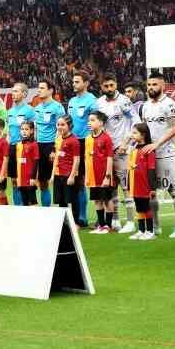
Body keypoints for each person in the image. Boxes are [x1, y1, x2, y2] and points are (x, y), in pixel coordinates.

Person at [138, 73, 175, 237]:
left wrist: (157, 144)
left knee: (174, 190)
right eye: (149, 85)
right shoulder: (145, 106)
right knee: (151, 191)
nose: (151, 87)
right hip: (149, 155)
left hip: (165, 154)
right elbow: (143, 130)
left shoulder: (169, 104)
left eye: (155, 84)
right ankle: (155, 226)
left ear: (163, 85)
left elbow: (174, 129)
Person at [96, 76, 138, 232]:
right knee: (111, 187)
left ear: (116, 84)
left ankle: (130, 222)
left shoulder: (124, 101)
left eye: (111, 85)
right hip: (106, 151)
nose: (109, 88)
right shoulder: (99, 103)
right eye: (106, 86)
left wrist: (126, 142)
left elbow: (136, 121)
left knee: (126, 186)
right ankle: (115, 219)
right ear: (102, 86)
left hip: (121, 150)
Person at [66, 71, 99, 226]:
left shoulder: (92, 100)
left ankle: (91, 217)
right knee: (77, 180)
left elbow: (95, 122)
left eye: (77, 81)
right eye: (73, 81)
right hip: (73, 142)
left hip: (86, 142)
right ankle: (80, 217)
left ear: (86, 83)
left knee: (88, 179)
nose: (74, 84)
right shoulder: (72, 101)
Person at [31, 80, 66, 207]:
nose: (39, 90)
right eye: (38, 88)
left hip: (52, 145)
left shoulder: (57, 107)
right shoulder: (37, 108)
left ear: (50, 90)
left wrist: (55, 149)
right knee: (42, 182)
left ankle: (64, 211)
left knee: (59, 180)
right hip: (39, 146)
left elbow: (61, 130)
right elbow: (35, 129)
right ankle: (46, 210)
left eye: (42, 88)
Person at [85, 110, 116, 232]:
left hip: (104, 176)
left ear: (101, 123)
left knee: (107, 200)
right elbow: (87, 158)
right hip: (92, 177)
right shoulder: (88, 139)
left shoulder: (106, 138)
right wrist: (87, 176)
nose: (89, 123)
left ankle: (108, 225)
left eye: (93, 120)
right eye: (89, 120)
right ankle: (101, 225)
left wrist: (107, 177)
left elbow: (109, 158)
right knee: (97, 200)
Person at [4, 81, 33, 204]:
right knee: (14, 180)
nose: (13, 93)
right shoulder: (9, 112)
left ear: (24, 94)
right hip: (12, 148)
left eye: (16, 91)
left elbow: (34, 130)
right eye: (12, 91)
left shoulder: (30, 111)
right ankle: (17, 208)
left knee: (26, 180)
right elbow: (8, 132)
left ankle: (28, 206)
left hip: (25, 148)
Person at [128, 122, 158, 239]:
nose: (132, 135)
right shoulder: (133, 148)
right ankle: (141, 230)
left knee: (146, 208)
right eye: (132, 133)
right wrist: (129, 183)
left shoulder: (149, 150)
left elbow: (151, 169)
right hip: (135, 184)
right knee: (139, 208)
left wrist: (152, 187)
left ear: (143, 134)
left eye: (135, 133)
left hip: (145, 185)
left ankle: (150, 231)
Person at [51, 115, 80, 209]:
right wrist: (53, 175)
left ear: (69, 125)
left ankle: (75, 218)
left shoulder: (74, 141)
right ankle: (64, 219)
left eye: (63, 125)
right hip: (58, 174)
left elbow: (76, 159)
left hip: (68, 175)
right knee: (61, 201)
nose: (60, 127)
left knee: (72, 200)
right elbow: (56, 158)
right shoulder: (58, 139)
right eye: (58, 124)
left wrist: (72, 176)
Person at [14, 115, 40, 207]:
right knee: (24, 202)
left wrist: (33, 178)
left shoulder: (34, 144)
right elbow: (18, 163)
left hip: (30, 179)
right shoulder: (18, 145)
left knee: (32, 202)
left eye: (26, 129)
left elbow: (36, 162)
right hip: (21, 179)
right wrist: (18, 177)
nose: (24, 131)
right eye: (22, 129)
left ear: (32, 131)